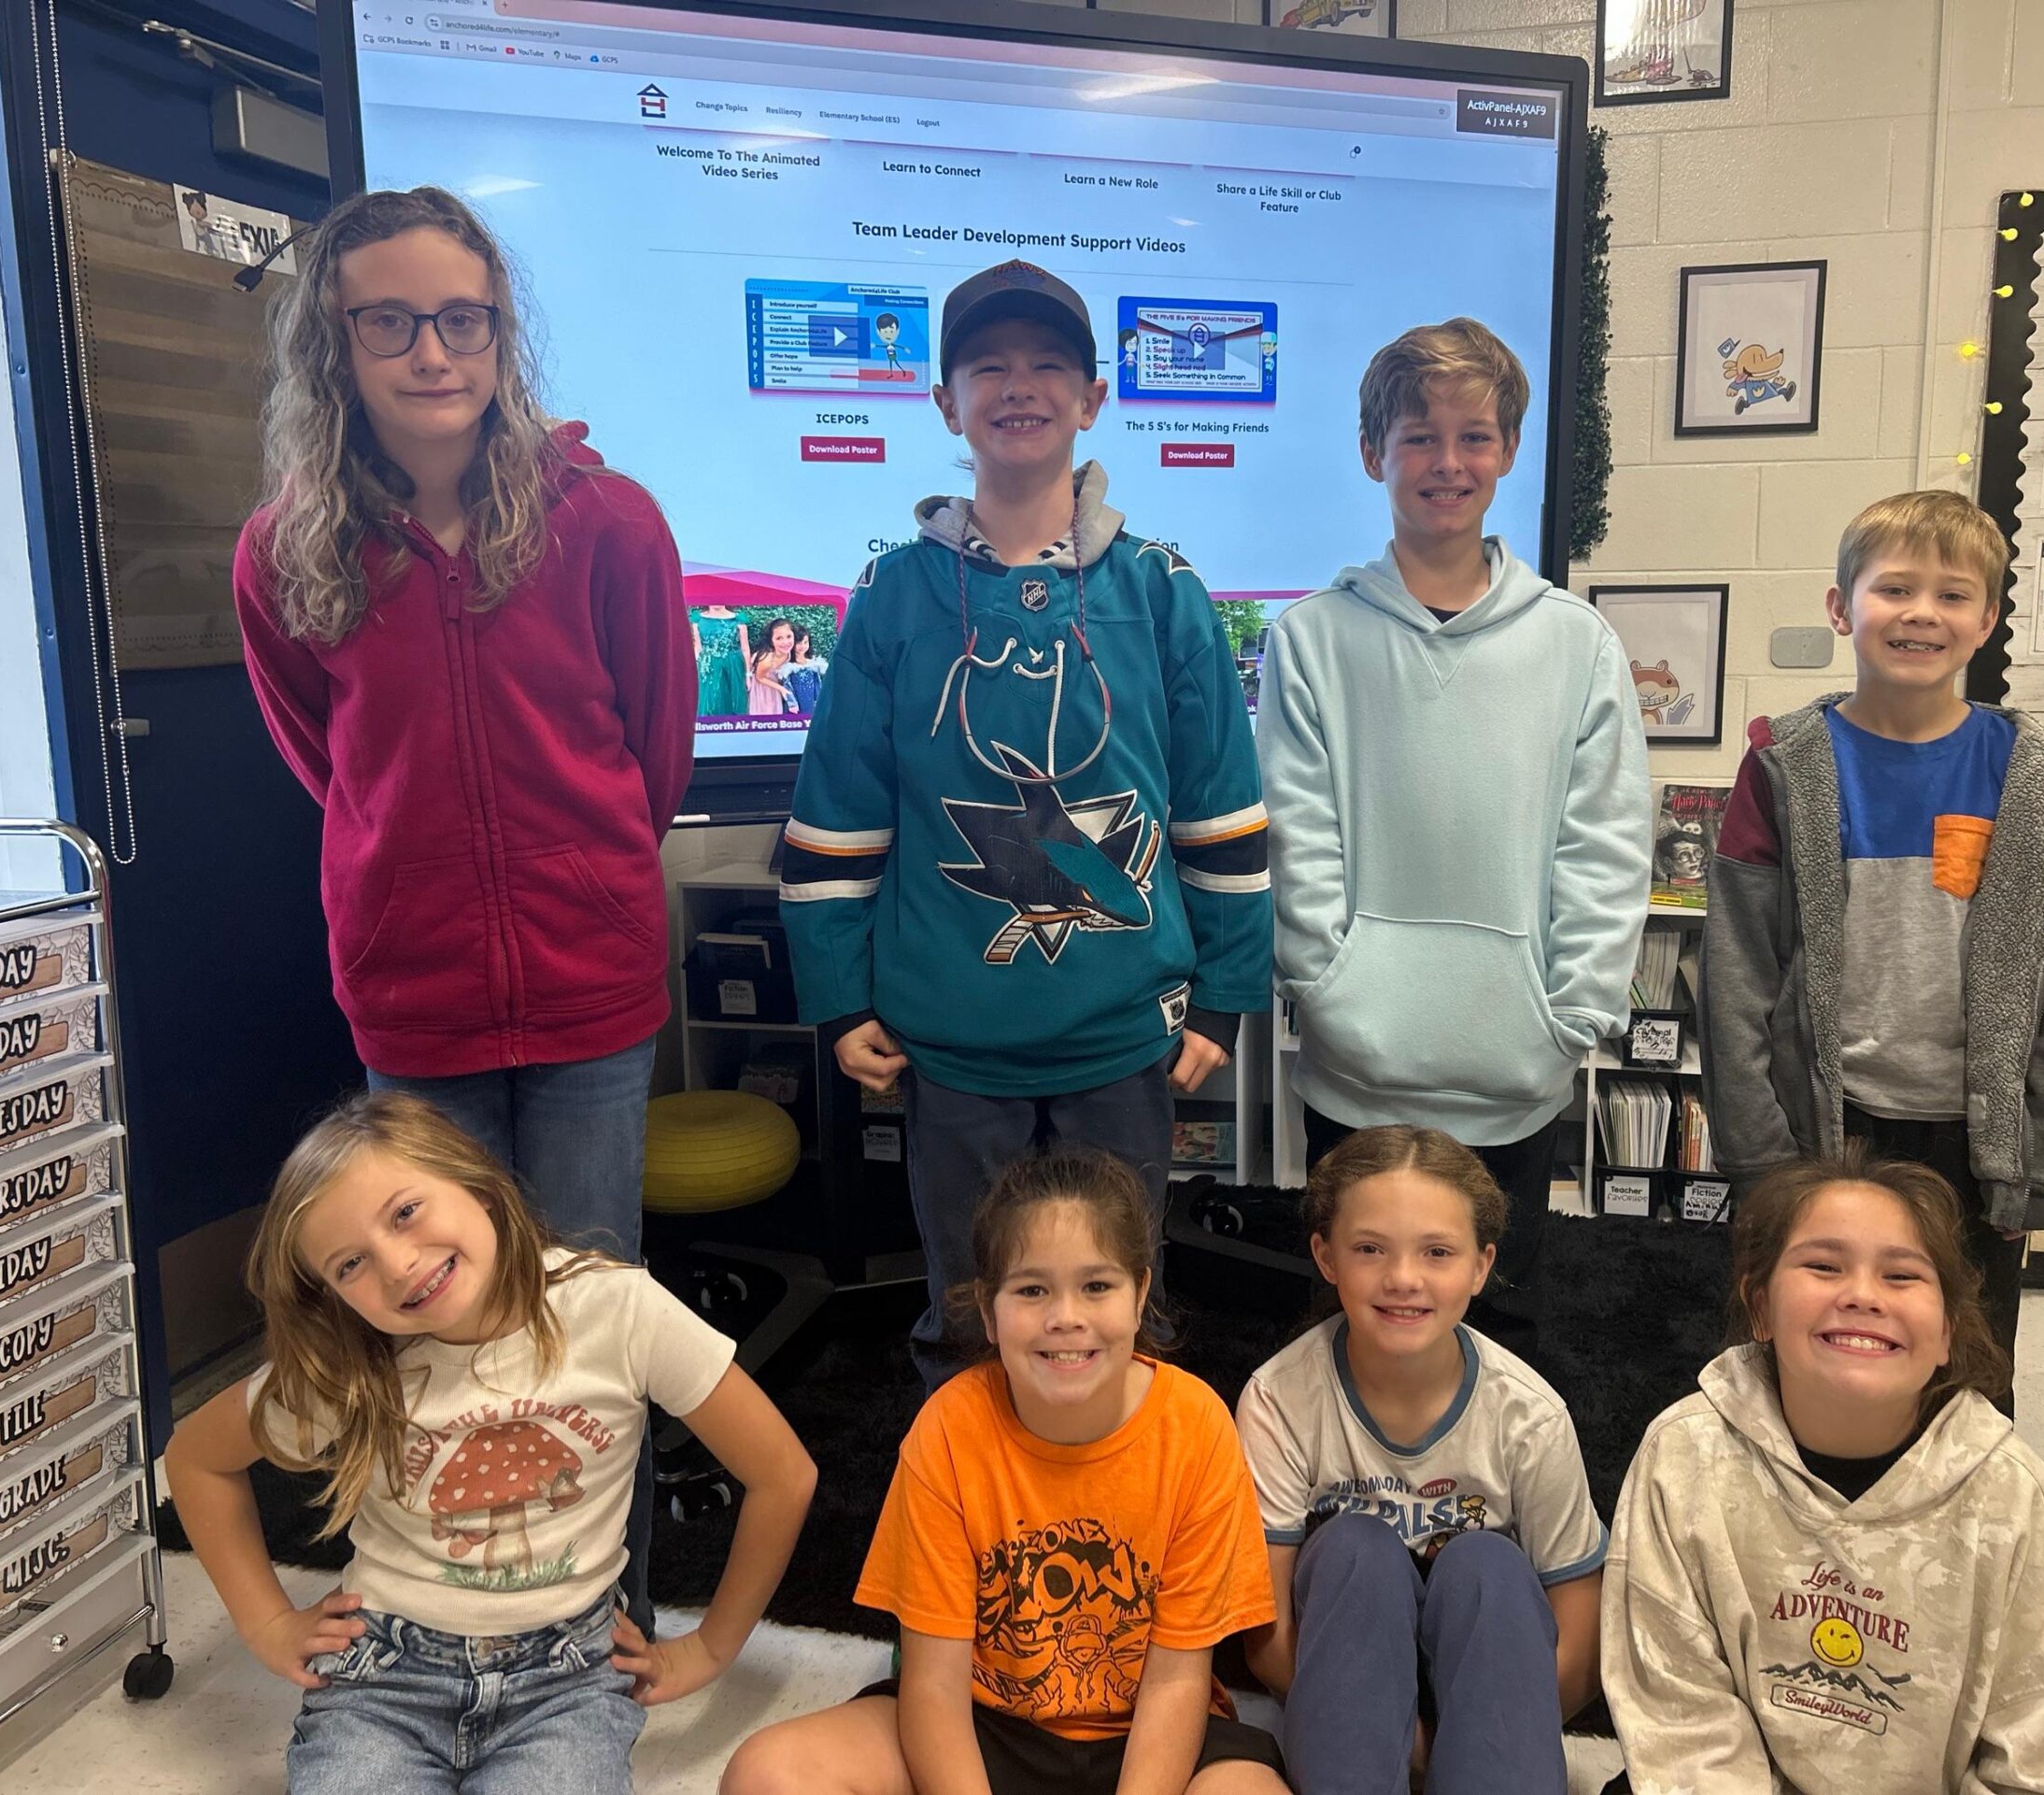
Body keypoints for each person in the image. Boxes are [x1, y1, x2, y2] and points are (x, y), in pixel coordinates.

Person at [778, 259, 1271, 1390]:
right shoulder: (892, 597)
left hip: (1122, 1029)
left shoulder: (1162, 591)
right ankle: (965, 1490)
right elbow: (839, 812)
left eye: (1049, 364)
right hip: (952, 1035)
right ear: (944, 403)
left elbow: (1220, 810)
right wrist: (841, 998)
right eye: (988, 365)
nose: (1019, 385)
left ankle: (1114, 1483)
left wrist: (1226, 994)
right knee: (970, 1301)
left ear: (1092, 398)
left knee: (1116, 1298)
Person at [232, 185, 693, 1261]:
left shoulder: (608, 521)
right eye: (389, 321)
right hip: (413, 992)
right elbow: (331, 766)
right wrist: (407, 871)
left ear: (498, 332)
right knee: (445, 1294)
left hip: (591, 977)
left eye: (461, 319)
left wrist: (580, 873)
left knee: (588, 1291)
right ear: (334, 343)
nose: (432, 354)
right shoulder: (283, 549)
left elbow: (657, 755)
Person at [165, 1093, 817, 1793]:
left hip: (568, 1683)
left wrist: (710, 1648)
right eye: (350, 1263)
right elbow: (197, 1459)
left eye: (405, 1212)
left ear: (474, 1180)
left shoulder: (619, 1309)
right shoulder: (348, 1362)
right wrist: (267, 1623)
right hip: (382, 1680)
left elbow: (783, 1474)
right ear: (328, 1293)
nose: (398, 1264)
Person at [1256, 319, 1650, 1349]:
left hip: (1516, 1064)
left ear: (1509, 449)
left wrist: (1570, 1011)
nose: (1447, 462)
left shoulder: (1575, 643)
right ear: (1372, 452)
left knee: (1494, 1320)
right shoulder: (1312, 638)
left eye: (1474, 436)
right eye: (1419, 437)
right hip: (1358, 1064)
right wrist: (1329, 986)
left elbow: (1604, 842)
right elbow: (1297, 832)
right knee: (1357, 1314)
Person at [1700, 490, 2044, 1400]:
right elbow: (1736, 975)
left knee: (1962, 1372)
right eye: (1894, 588)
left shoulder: (2035, 778)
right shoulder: (1785, 765)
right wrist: (1760, 1156)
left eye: (1952, 594)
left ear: (1988, 620)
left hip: (1978, 1143)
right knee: (1809, 1359)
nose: (1922, 612)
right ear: (1840, 606)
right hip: (1824, 1131)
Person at [721, 1145, 1286, 1795]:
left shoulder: (1197, 1426)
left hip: (1148, 1733)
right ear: (989, 1311)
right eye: (1032, 1289)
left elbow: (1177, 1680)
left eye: (1096, 1285)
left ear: (1139, 1296)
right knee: (766, 1773)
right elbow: (934, 1685)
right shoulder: (949, 1428)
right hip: (981, 1722)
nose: (1066, 1317)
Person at [1599, 1145, 2044, 1794]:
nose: (1861, 1295)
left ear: (1947, 1332)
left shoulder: (2012, 1498)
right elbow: (1679, 1721)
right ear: (1760, 1308)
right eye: (1824, 1266)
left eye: (1902, 1276)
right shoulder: (1683, 1457)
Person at [1235, 1126, 1604, 1795]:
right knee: (1354, 1550)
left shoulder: (1530, 1415)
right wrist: (1403, 1742)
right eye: (1370, 1248)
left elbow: (1580, 1643)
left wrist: (1476, 1736)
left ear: (1481, 1267)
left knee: (1488, 1565)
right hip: (1342, 1696)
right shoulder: (1278, 1399)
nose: (1403, 1278)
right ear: (1326, 1256)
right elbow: (1266, 1633)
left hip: (1492, 1694)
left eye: (1437, 1251)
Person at [748, 618, 798, 717]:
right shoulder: (767, 658)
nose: (785, 642)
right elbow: (759, 677)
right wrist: (781, 689)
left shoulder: (788, 653)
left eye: (789, 636)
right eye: (779, 638)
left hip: (774, 685)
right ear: (771, 641)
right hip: (761, 687)